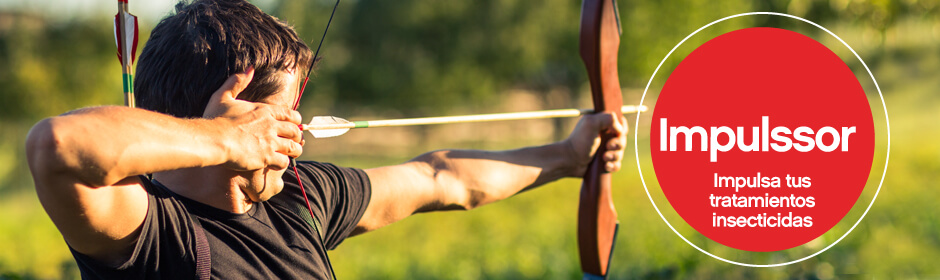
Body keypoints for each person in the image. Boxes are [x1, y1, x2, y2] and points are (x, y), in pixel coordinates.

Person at [25, 0, 627, 279]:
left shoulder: (300, 198)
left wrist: (570, 156)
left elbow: (442, 177)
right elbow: (56, 145)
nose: (299, 132)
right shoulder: (149, 230)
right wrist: (220, 141)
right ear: (240, 118)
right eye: (287, 114)